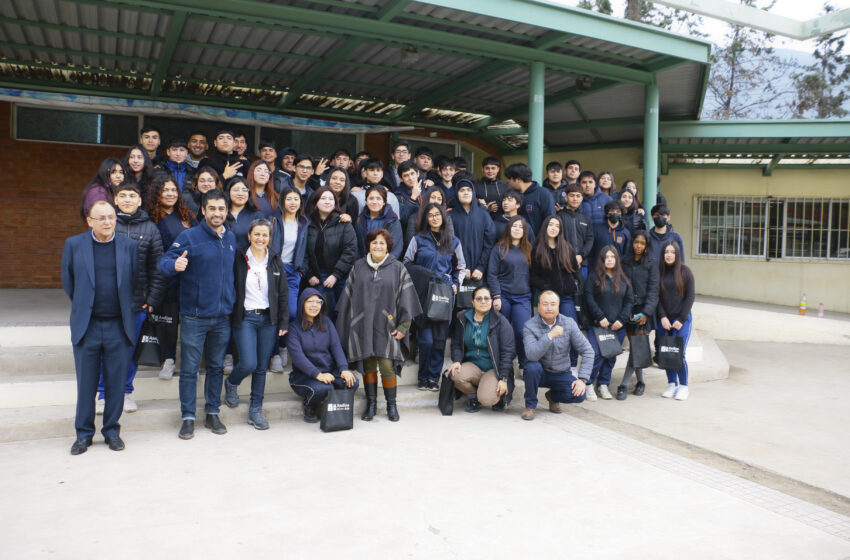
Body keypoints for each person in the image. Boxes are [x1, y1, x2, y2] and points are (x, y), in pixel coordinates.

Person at [159, 189, 237, 440]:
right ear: (203, 210)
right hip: (194, 316)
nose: (217, 213)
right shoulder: (189, 236)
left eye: (221, 209)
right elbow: (164, 262)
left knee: (215, 368)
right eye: (212, 208)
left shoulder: (231, 239)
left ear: (226, 211)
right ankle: (188, 417)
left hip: (222, 316)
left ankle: (213, 412)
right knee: (190, 370)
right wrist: (174, 265)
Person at [62, 201, 138, 454]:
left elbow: (134, 281)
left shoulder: (129, 246)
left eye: (111, 217)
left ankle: (111, 432)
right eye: (102, 218)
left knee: (116, 383)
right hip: (88, 326)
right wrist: (85, 307)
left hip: (119, 326)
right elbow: (69, 281)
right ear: (89, 221)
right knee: (86, 384)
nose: (108, 222)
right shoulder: (74, 245)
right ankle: (83, 435)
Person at [336, 228, 422, 422]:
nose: (377, 246)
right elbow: (348, 299)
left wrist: (403, 327)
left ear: (388, 246)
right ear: (369, 245)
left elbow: (407, 299)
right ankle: (371, 404)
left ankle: (392, 406)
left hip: (388, 326)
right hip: (362, 326)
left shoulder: (398, 267)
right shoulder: (358, 266)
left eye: (382, 243)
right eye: (374, 242)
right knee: (368, 366)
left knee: (387, 366)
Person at [95, 181, 165, 413]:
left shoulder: (150, 229)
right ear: (115, 199)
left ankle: (125, 392)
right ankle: (103, 394)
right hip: (106, 303)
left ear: (139, 200)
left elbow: (158, 268)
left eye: (132, 195)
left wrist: (153, 299)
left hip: (136, 304)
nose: (127, 199)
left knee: (130, 350)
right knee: (106, 350)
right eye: (122, 195)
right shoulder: (104, 224)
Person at [224, 219, 289, 429]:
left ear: (270, 238)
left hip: (269, 319)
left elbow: (283, 294)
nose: (261, 238)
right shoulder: (239, 258)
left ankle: (256, 409)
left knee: (261, 368)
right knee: (248, 363)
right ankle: (232, 382)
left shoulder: (276, 260)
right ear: (250, 236)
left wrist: (283, 320)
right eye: (257, 234)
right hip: (246, 318)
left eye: (265, 235)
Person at [403, 203, 466, 391]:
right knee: (426, 340)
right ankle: (422, 377)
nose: (434, 218)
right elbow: (406, 263)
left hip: (444, 294)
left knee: (439, 341)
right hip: (423, 293)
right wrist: (424, 276)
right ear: (426, 219)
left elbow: (461, 267)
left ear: (444, 217)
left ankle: (433, 378)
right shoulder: (418, 239)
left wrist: (456, 284)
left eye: (437, 214)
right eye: (430, 215)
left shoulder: (454, 241)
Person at [147, 175, 196, 379]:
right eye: (165, 190)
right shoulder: (150, 217)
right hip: (165, 278)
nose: (170, 194)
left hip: (188, 280)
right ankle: (169, 360)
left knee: (187, 322)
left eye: (173, 190)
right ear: (157, 192)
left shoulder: (187, 216)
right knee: (168, 321)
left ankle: (188, 362)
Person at [287, 288, 359, 423]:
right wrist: (318, 375)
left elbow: (336, 346)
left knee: (352, 383)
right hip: (304, 376)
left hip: (329, 370)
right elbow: (298, 358)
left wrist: (344, 369)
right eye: (310, 301)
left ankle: (330, 405)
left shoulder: (327, 322)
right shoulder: (293, 328)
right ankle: (309, 406)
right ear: (302, 303)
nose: (314, 305)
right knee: (322, 388)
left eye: (318, 302)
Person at [521, 291, 594, 421]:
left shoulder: (569, 323)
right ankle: (530, 406)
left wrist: (582, 379)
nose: (549, 308)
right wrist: (549, 336)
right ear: (538, 306)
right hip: (540, 373)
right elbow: (531, 355)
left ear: (558, 306)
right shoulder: (529, 326)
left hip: (561, 372)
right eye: (545, 304)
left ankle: (552, 397)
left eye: (553, 304)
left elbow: (588, 351)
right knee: (531, 367)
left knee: (579, 395)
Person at [448, 285, 515, 412]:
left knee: (486, 399)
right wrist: (456, 360)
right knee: (454, 374)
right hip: (474, 366)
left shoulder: (501, 321)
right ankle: (473, 396)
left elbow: (508, 352)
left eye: (486, 298)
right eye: (479, 299)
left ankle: (490, 393)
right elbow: (456, 344)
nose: (483, 301)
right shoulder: (463, 318)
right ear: (473, 302)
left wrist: (504, 378)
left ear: (491, 301)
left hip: (494, 369)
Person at [530, 215, 583, 374]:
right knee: (548, 333)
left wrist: (574, 284)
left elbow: (576, 272)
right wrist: (546, 287)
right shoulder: (537, 249)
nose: (553, 228)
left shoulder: (567, 248)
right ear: (545, 227)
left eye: (557, 226)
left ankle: (573, 365)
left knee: (571, 330)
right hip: (548, 299)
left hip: (566, 298)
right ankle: (548, 366)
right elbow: (533, 276)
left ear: (560, 229)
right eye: (550, 225)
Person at [583, 245, 634, 401]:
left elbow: (629, 300)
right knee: (596, 355)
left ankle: (603, 384)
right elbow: (589, 299)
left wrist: (621, 320)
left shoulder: (624, 279)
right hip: (599, 326)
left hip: (617, 327)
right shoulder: (594, 277)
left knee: (611, 357)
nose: (610, 260)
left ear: (617, 259)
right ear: (602, 260)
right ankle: (589, 383)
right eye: (607, 257)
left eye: (613, 257)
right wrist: (600, 317)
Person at [269, 187, 308, 372]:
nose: (293, 202)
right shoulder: (273, 219)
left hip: (293, 271)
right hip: (273, 268)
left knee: (291, 313)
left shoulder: (304, 223)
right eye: (289, 199)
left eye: (296, 199)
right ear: (282, 201)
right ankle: (275, 353)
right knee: (273, 312)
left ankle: (283, 346)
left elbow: (308, 249)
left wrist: (301, 270)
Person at [303, 186, 358, 314]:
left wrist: (335, 275)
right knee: (322, 312)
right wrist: (309, 274)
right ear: (315, 202)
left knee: (341, 313)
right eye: (323, 198)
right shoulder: (308, 223)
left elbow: (350, 250)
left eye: (331, 199)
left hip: (341, 275)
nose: (327, 201)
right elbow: (304, 251)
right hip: (318, 274)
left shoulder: (343, 222)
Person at [487, 216, 533, 368]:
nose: (517, 229)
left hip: (523, 297)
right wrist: (496, 296)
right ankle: (500, 365)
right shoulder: (498, 249)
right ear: (509, 228)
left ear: (524, 231)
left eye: (521, 227)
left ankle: (523, 364)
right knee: (502, 332)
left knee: (521, 332)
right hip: (503, 296)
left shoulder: (529, 249)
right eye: (514, 226)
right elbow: (492, 274)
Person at [617, 232, 658, 400]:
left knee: (636, 347)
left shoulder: (651, 263)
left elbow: (654, 291)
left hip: (644, 312)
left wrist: (646, 313)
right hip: (629, 310)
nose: (639, 245)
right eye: (636, 242)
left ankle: (623, 385)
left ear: (647, 245)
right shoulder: (624, 261)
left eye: (642, 243)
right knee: (637, 347)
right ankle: (641, 382)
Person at [656, 241, 695, 400]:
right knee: (665, 352)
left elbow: (690, 297)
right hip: (664, 320)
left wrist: (681, 319)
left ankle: (684, 386)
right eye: (666, 252)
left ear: (677, 254)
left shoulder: (686, 272)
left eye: (672, 252)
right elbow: (656, 297)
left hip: (682, 320)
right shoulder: (659, 272)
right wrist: (663, 317)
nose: (669, 255)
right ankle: (672, 384)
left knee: (679, 354)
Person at [451, 176, 495, 289]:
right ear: (456, 193)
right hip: (456, 271)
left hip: (479, 273)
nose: (466, 193)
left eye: (469, 190)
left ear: (473, 193)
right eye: (462, 190)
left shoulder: (483, 215)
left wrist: (481, 267)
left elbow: (489, 243)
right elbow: (449, 244)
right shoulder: (450, 216)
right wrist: (462, 267)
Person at [504, 162, 555, 237]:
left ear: (518, 180)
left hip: (537, 243)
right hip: (515, 243)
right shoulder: (511, 196)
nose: (508, 181)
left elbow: (550, 220)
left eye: (509, 178)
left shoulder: (543, 194)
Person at [354, 185, 403, 259]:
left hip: (386, 266)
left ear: (384, 202)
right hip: (363, 264)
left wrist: (382, 266)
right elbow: (356, 246)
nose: (374, 202)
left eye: (378, 199)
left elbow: (395, 249)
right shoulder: (360, 220)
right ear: (366, 201)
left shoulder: (392, 221)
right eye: (371, 198)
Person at [556, 183, 593, 278]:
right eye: (572, 195)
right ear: (566, 198)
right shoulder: (558, 216)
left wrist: (581, 256)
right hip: (562, 263)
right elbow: (556, 240)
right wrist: (567, 258)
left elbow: (590, 240)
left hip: (582, 263)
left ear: (582, 198)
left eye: (578, 196)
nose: (575, 199)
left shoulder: (586, 219)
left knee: (580, 291)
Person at [404, 185, 453, 249]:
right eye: (433, 197)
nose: (436, 201)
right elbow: (410, 241)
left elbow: (450, 239)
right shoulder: (414, 218)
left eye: (439, 199)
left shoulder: (447, 218)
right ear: (427, 199)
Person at [226, 176, 263, 252]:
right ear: (228, 192)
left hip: (247, 260)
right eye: (236, 190)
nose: (240, 193)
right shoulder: (222, 214)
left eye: (244, 190)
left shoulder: (256, 215)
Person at [578, 171, 612, 240]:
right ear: (579, 184)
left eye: (590, 182)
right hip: (583, 239)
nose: (587, 185)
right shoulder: (577, 200)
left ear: (595, 184)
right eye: (584, 182)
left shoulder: (606, 199)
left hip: (604, 238)